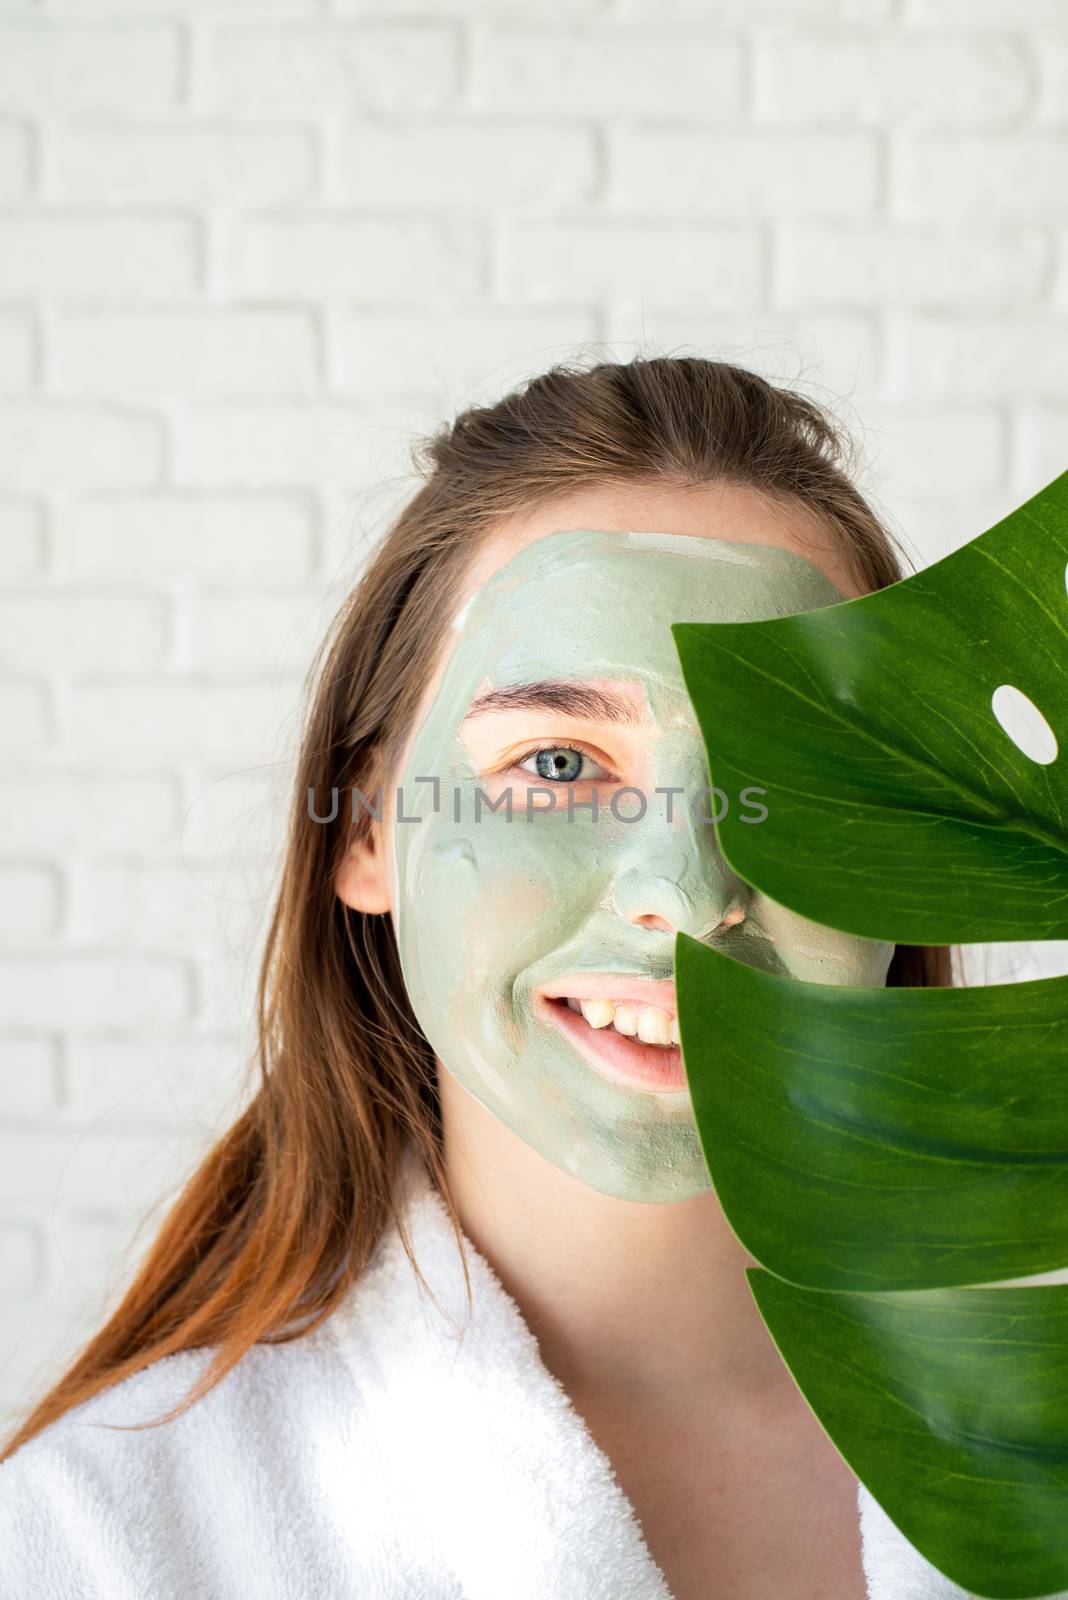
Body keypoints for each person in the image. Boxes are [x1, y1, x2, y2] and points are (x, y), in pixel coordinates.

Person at [0, 354, 963, 1600]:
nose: (683, 885)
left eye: (811, 771)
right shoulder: (94, 1547)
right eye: (560, 764)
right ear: (364, 831)